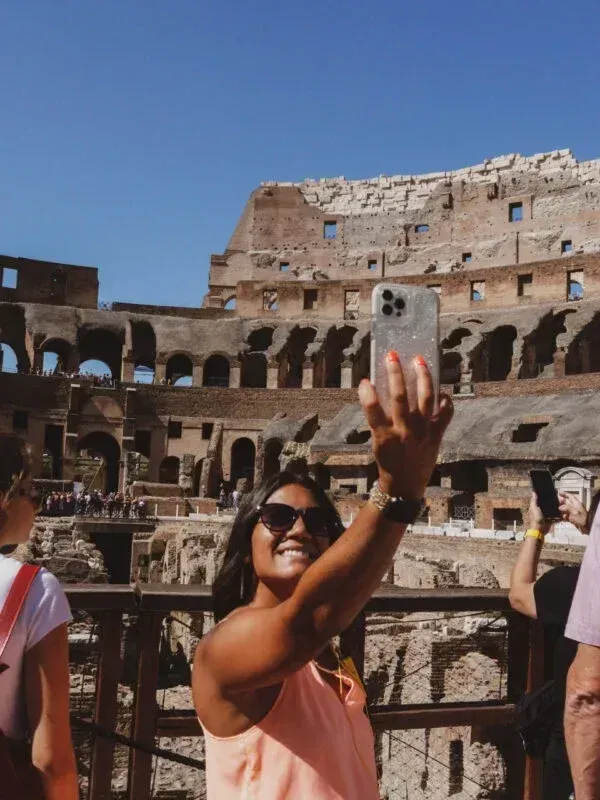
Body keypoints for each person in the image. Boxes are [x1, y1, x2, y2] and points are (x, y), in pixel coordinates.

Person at [192, 352, 453, 799]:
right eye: (277, 517)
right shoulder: (222, 650)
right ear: (245, 538)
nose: (299, 529)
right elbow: (307, 618)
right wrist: (397, 492)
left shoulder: (325, 656)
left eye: (319, 523)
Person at [0, 434, 78, 799]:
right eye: (31, 492)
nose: (38, 505)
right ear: (4, 496)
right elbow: (50, 759)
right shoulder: (33, 589)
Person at [509, 490, 594, 800]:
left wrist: (536, 529)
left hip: (578, 751)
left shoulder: (572, 586)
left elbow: (519, 594)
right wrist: (589, 525)